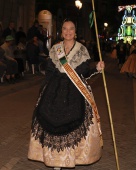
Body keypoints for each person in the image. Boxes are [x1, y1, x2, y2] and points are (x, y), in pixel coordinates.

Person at [28, 18, 104, 170]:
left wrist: (97, 67)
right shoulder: (56, 49)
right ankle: (56, 162)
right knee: (48, 120)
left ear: (75, 32)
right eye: (65, 29)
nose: (68, 31)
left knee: (73, 121)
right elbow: (49, 71)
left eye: (71, 29)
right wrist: (44, 90)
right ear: (61, 32)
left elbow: (85, 72)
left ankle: (69, 158)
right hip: (54, 90)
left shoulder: (82, 50)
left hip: (74, 91)